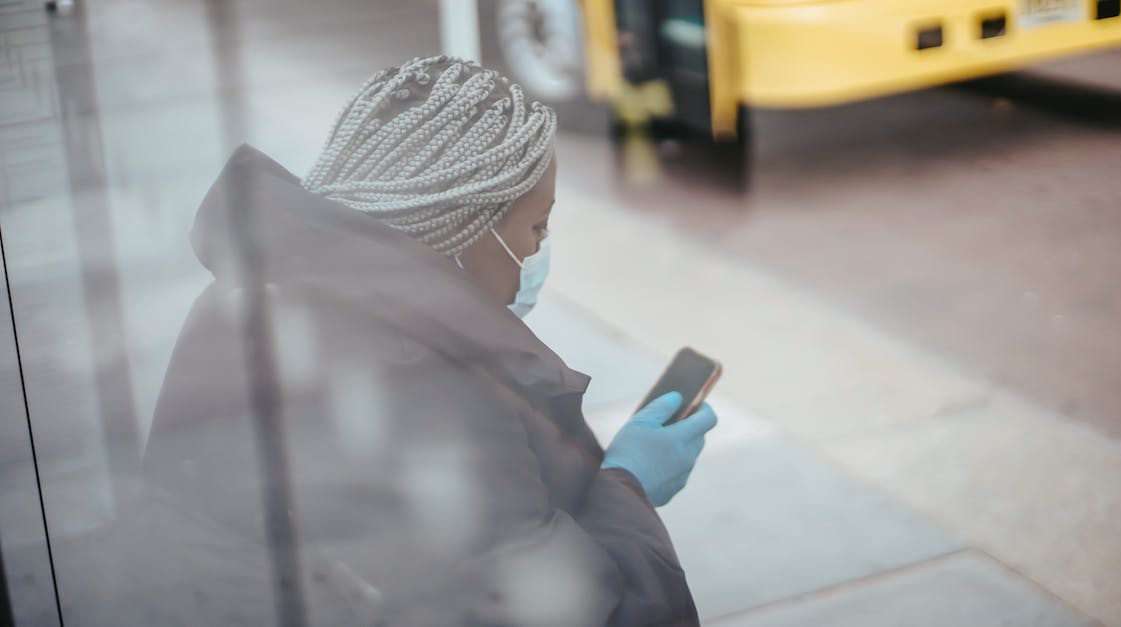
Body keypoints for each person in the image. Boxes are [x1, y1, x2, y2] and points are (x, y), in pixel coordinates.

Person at [113, 55, 719, 627]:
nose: (538, 249)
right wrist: (629, 487)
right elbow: (557, 607)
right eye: (536, 224)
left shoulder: (243, 302)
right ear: (463, 224)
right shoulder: (423, 386)